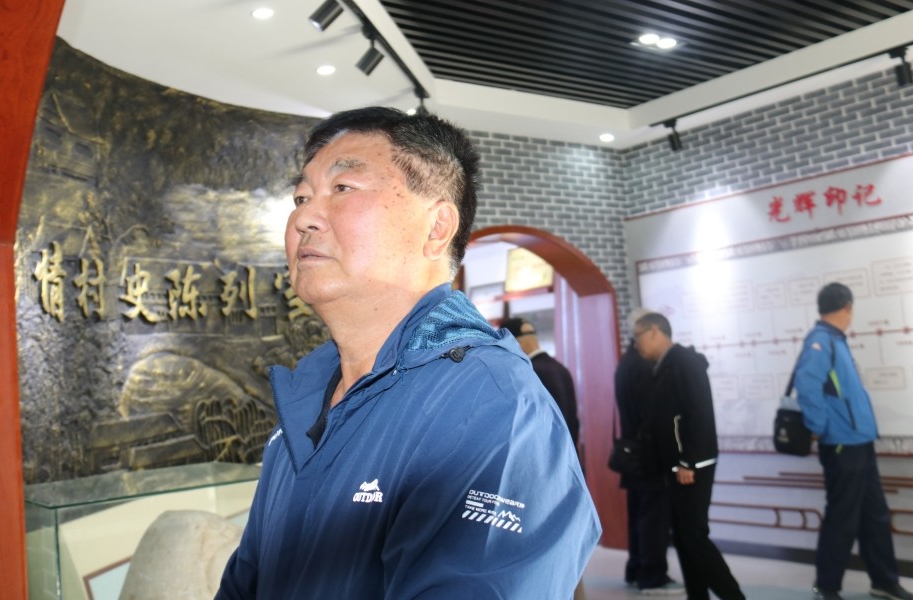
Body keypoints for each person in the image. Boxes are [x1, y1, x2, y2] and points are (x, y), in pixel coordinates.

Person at [215, 107, 600, 599]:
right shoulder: (306, 398)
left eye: (343, 187)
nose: (303, 217)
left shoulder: (492, 405)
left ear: (437, 227)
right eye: (301, 197)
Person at [793, 282, 913, 600]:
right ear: (847, 306)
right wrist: (822, 428)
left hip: (860, 442)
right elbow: (807, 388)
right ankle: (826, 587)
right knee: (842, 518)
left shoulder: (836, 340)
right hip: (841, 444)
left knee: (875, 516)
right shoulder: (820, 341)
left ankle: (884, 582)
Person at [633, 311, 745, 600]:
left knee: (694, 537)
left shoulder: (684, 362)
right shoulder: (666, 364)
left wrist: (688, 461)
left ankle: (733, 596)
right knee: (683, 538)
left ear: (655, 332)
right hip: (677, 467)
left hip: (691, 467)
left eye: (638, 336)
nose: (636, 344)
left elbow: (699, 414)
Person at [613, 308, 682, 596]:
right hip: (649, 455)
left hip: (632, 452)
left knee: (639, 515)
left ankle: (636, 569)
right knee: (653, 518)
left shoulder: (626, 363)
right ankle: (652, 576)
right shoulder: (644, 366)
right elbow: (654, 415)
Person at [499, 316, 580, 448]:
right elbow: (573, 422)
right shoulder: (562, 369)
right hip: (569, 454)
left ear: (515, 342)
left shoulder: (528, 372)